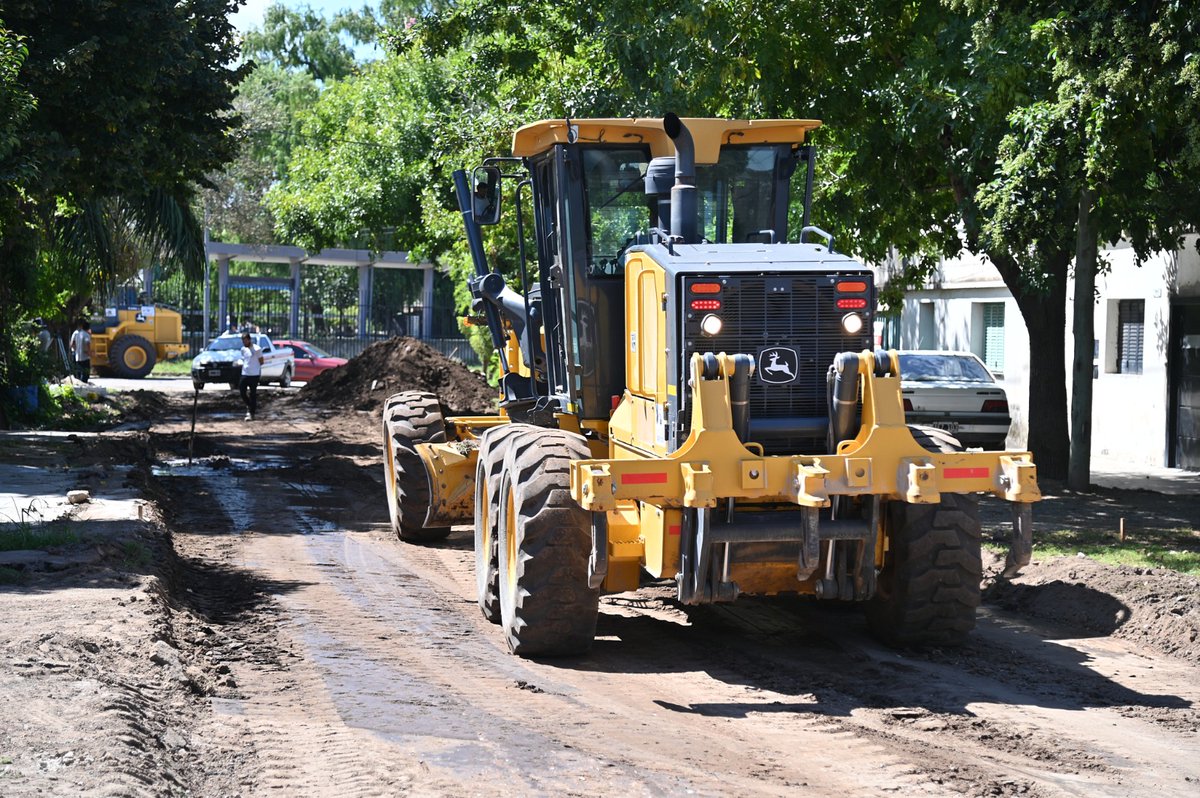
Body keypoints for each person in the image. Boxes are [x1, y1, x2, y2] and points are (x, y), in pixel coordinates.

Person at [238, 332, 265, 421]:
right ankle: (250, 406)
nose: (244, 343)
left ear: (249, 340)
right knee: (242, 391)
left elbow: (261, 361)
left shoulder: (257, 349)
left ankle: (251, 413)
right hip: (245, 373)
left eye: (245, 341)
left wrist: (255, 366)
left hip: (254, 374)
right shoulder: (243, 349)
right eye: (243, 341)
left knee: (252, 394)